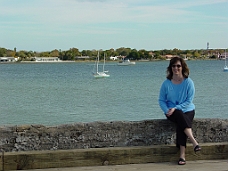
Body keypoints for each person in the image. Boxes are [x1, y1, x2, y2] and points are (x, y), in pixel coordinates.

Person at [158, 57, 201, 165]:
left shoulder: (188, 82)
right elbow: (161, 100)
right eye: (173, 66)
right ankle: (193, 142)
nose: (176, 68)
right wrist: (167, 110)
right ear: (170, 67)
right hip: (171, 112)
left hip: (188, 109)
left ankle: (182, 156)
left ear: (182, 67)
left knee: (181, 122)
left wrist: (176, 108)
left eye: (178, 66)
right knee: (178, 115)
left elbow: (189, 100)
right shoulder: (166, 84)